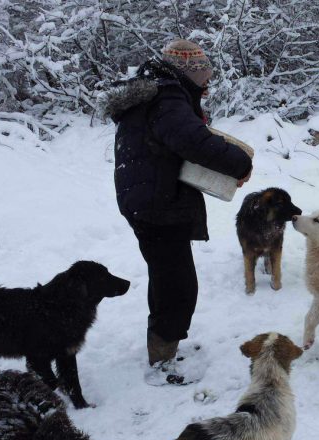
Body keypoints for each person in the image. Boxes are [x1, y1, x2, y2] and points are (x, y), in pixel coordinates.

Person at [103, 39, 252, 384]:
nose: (207, 83)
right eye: (204, 76)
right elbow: (193, 140)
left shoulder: (154, 92)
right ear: (190, 71)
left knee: (168, 278)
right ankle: (161, 362)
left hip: (146, 199)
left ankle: (163, 347)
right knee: (177, 285)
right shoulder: (167, 97)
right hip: (157, 203)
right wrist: (239, 163)